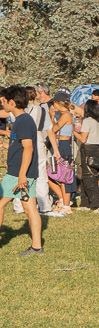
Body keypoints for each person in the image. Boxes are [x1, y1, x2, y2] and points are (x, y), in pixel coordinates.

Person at [4, 87, 45, 256]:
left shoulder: (24, 121)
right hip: (20, 172)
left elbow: (28, 148)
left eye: (3, 102)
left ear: (12, 102)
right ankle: (37, 247)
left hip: (18, 173)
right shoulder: (21, 120)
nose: (2, 104)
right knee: (29, 208)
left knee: (0, 204)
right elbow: (22, 146)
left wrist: (22, 175)